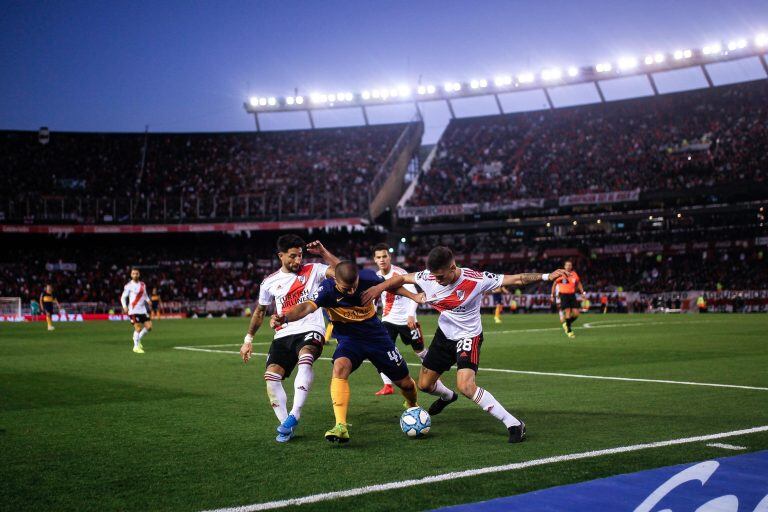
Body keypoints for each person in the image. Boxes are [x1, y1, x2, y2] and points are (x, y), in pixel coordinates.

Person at [363, 246, 568, 443]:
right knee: (424, 385)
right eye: (434, 276)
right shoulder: (428, 276)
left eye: (441, 276)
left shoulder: (476, 279)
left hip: (468, 337)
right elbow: (400, 278)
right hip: (444, 335)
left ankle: (513, 423)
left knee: (466, 386)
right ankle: (447, 396)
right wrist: (379, 288)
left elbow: (517, 279)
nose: (437, 280)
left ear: (453, 267)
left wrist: (545, 276)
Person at [271, 261, 421, 444]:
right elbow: (306, 307)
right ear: (335, 281)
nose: (351, 292)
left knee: (405, 383)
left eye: (354, 287)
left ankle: (413, 406)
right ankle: (340, 426)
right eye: (345, 288)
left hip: (377, 337)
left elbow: (394, 284)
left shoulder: (368, 278)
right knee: (340, 367)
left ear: (358, 278)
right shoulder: (326, 289)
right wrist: (285, 317)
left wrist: (411, 296)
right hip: (350, 340)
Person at [239, 235, 339, 443]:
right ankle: (286, 425)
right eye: (292, 256)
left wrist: (323, 252)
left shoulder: (315, 269)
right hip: (283, 333)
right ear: (280, 256)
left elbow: (342, 272)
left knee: (305, 359)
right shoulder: (269, 282)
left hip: (311, 328)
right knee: (271, 378)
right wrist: (248, 339)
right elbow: (259, 312)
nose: (297, 261)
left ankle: (295, 414)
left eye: (300, 256)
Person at [372, 242, 427, 396]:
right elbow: (375, 299)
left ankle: (433, 374)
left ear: (389, 257)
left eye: (384, 256)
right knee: (381, 350)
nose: (382, 259)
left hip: (407, 321)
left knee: (420, 351)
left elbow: (414, 296)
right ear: (375, 260)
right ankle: (387, 385)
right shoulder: (376, 277)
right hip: (388, 320)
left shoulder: (400, 273)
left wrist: (411, 315)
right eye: (378, 257)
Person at [121, 268, 153, 353]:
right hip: (133, 311)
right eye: (133, 273)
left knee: (149, 327)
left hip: (143, 310)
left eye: (137, 273)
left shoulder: (143, 284)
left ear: (139, 274)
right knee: (138, 328)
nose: (135, 275)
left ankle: (138, 340)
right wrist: (124, 306)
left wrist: (148, 300)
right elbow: (123, 297)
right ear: (131, 275)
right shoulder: (128, 286)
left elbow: (145, 295)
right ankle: (135, 347)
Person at [557, 260, 584, 339]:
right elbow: (555, 283)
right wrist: (554, 294)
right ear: (564, 266)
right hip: (564, 295)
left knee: (576, 313)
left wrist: (582, 292)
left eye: (570, 265)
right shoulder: (560, 274)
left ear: (571, 266)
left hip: (572, 295)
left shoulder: (574, 274)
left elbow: (578, 283)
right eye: (567, 265)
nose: (568, 266)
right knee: (567, 312)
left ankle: (567, 324)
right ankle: (569, 331)